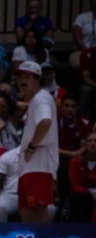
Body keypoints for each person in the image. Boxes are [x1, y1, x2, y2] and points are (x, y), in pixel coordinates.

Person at [15, 61, 58, 223]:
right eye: (19, 77)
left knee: (37, 211)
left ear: (37, 79)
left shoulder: (41, 99)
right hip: (31, 166)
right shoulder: (35, 100)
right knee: (26, 211)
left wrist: (32, 146)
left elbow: (45, 122)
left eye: (26, 77)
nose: (21, 81)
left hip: (39, 164)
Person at [56, 94, 92, 216]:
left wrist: (76, 154)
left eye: (73, 106)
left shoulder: (84, 123)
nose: (70, 109)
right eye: (66, 106)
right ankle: (62, 201)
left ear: (77, 109)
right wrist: (71, 153)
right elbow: (51, 147)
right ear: (61, 108)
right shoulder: (53, 122)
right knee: (60, 167)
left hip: (78, 157)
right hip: (57, 156)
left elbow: (85, 144)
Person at [68, 131, 96, 222]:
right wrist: (90, 192)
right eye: (90, 141)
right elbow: (75, 186)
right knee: (80, 198)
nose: (93, 143)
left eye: (95, 141)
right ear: (85, 145)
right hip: (84, 196)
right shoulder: (76, 162)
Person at [69, 0, 96, 72]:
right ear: (91, 3)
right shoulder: (82, 17)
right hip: (83, 50)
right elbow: (77, 36)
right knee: (75, 60)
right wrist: (86, 50)